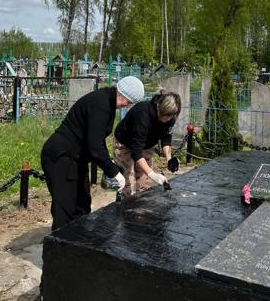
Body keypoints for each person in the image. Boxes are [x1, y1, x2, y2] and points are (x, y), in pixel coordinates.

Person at [41, 75, 144, 230]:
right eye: (128, 101)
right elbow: (95, 146)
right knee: (66, 207)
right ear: (121, 93)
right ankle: (59, 249)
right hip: (61, 156)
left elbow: (97, 138)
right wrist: (114, 173)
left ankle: (78, 243)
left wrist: (109, 164)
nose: (126, 106)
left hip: (77, 158)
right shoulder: (101, 104)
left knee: (82, 204)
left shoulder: (107, 102)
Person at [112, 90, 181, 197]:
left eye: (168, 117)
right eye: (163, 116)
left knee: (144, 184)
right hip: (125, 143)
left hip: (146, 145)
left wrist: (169, 159)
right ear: (159, 107)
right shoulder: (142, 114)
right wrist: (152, 173)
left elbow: (166, 137)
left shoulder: (170, 116)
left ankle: (141, 210)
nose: (165, 120)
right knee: (128, 183)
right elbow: (136, 152)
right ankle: (124, 206)